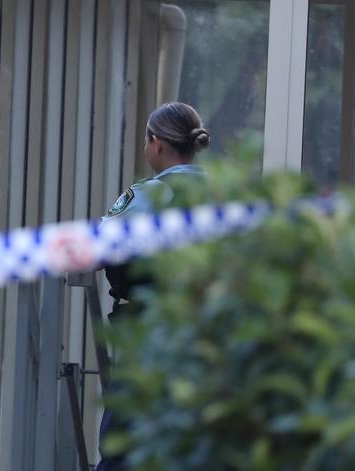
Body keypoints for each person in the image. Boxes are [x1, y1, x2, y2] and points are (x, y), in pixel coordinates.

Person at [96, 102, 210, 471]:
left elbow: (98, 248)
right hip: (211, 339)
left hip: (152, 336)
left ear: (156, 144)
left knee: (121, 443)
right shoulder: (224, 194)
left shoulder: (147, 195)